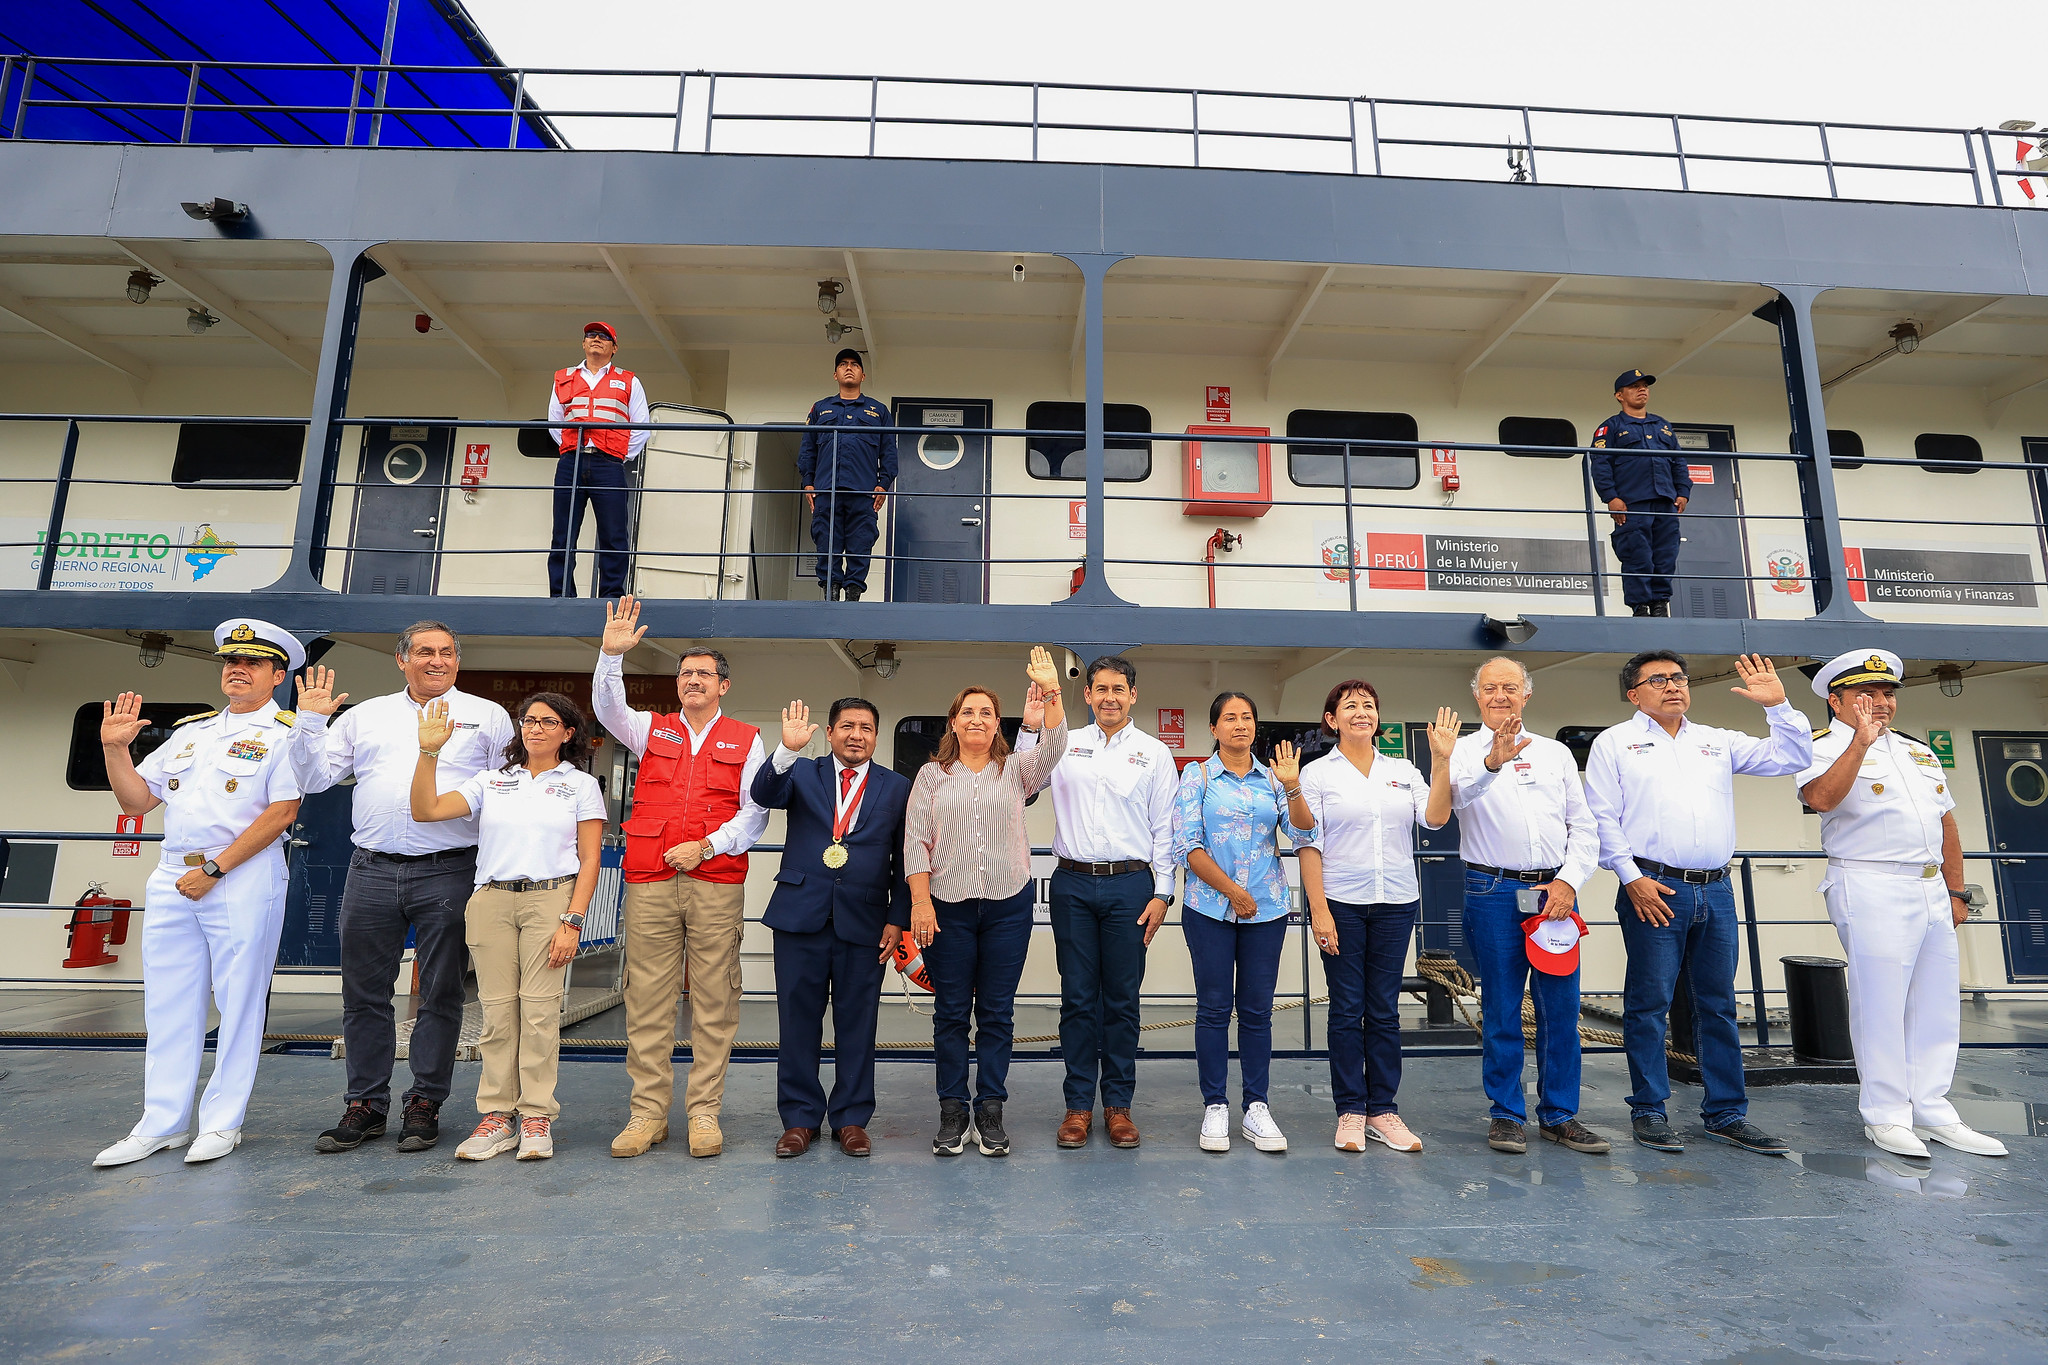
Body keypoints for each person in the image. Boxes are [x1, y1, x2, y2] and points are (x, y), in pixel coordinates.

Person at [290, 622, 514, 1155]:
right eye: (423, 653)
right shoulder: (365, 716)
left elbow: (508, 792)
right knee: (364, 994)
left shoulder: (488, 717)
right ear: (401, 660)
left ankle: (425, 1102)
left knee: (441, 992)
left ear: (457, 661)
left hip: (451, 869)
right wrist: (310, 723)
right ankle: (365, 1104)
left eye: (445, 653)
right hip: (370, 869)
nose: (435, 661)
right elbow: (312, 778)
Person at [92, 620, 305, 1168]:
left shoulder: (286, 734)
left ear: (278, 675)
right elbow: (138, 802)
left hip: (240, 875)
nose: (237, 669)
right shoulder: (190, 733)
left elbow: (282, 812)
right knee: (167, 1002)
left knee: (238, 1002)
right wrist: (115, 750)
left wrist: (215, 867)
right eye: (231, 662)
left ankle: (222, 1121)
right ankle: (159, 1124)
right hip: (170, 875)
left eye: (254, 663)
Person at [1583, 651, 1811, 1158]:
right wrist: (1631, 878)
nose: (1673, 686)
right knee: (1649, 1005)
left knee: (1718, 1006)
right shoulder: (1615, 743)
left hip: (1716, 889)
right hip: (1654, 888)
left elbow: (1793, 758)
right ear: (1633, 693)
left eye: (1679, 678)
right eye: (1658, 680)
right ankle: (1649, 1110)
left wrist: (1779, 706)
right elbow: (1602, 817)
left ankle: (1727, 1113)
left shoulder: (1716, 741)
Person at [1797, 650, 2008, 1159]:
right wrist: (1860, 744)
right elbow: (1820, 799)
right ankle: (1887, 1116)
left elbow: (1946, 823)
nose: (1881, 703)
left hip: (1930, 887)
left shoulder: (1918, 752)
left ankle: (1933, 1108)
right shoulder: (1820, 746)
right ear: (1836, 700)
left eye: (1888, 693)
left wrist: (1956, 890)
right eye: (1866, 695)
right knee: (1882, 1003)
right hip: (1870, 883)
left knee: (1936, 1003)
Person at [596, 595, 768, 1159]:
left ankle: (704, 1115)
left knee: (715, 999)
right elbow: (607, 712)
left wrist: (708, 846)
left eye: (703, 674)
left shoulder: (746, 739)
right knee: (646, 998)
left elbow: (755, 810)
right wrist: (611, 657)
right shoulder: (651, 730)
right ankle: (647, 1115)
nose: (692, 681)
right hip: (649, 881)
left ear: (724, 684)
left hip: (715, 882)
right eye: (685, 673)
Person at [409, 692, 606, 1162]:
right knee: (498, 1015)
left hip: (552, 900)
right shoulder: (491, 781)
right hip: (492, 901)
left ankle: (536, 1115)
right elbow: (426, 810)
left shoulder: (579, 785)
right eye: (528, 720)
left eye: (547, 721)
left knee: (538, 1015)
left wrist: (572, 921)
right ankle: (498, 1116)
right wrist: (428, 752)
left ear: (568, 732)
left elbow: (591, 858)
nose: (535, 728)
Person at [904, 648, 1068, 1158]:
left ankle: (990, 1111)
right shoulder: (931, 776)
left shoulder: (1017, 771)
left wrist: (1052, 689)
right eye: (967, 711)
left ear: (999, 723)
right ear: (953, 722)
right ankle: (953, 1112)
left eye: (987, 712)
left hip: (1006, 907)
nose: (977, 719)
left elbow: (1057, 745)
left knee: (997, 1013)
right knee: (951, 1013)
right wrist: (921, 903)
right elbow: (915, 842)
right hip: (946, 908)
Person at [1449, 656, 1609, 1156]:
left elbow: (1583, 826)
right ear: (1477, 696)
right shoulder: (1458, 752)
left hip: (1553, 896)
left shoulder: (1556, 753)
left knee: (1560, 1008)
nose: (1501, 696)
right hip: (1493, 893)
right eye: (1491, 688)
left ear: (1527, 695)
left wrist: (1569, 881)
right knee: (1501, 1007)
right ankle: (1505, 1113)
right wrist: (1492, 761)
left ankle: (1560, 1113)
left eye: (1511, 688)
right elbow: (1457, 796)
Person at [1298, 685, 1458, 1155]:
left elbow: (1435, 819)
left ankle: (1383, 1109)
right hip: (1341, 903)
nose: (1361, 712)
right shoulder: (1316, 774)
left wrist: (1442, 761)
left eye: (1368, 705)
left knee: (1384, 1010)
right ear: (1332, 720)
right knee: (1348, 1008)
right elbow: (1309, 843)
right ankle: (1350, 1108)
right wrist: (1319, 910)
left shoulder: (1402, 770)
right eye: (1350, 706)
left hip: (1396, 901)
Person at [750, 696, 912, 1158]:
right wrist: (786, 749)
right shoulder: (801, 771)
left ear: (876, 736)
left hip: (865, 922)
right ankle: (799, 1119)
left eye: (865, 727)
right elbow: (763, 794)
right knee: (797, 1021)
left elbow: (905, 860)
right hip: (801, 915)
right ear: (830, 731)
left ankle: (852, 1118)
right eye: (846, 726)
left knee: (858, 1023)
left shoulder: (897, 786)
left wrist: (898, 918)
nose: (856, 734)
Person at [1036, 655, 1176, 1152]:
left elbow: (1165, 829)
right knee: (1076, 997)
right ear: (1088, 694)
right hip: (1072, 883)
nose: (1110, 697)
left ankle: (1117, 1106)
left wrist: (1163, 892)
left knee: (1121, 999)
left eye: (1119, 688)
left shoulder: (1155, 753)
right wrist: (1036, 724)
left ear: (1133, 695)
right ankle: (1077, 1106)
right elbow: (1029, 783)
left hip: (1130, 886)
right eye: (1101, 689)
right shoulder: (1065, 744)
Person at [1171, 692, 1317, 1155]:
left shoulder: (1273, 778)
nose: (1240, 724)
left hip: (1267, 911)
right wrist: (1232, 891)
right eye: (1229, 718)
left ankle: (1256, 1106)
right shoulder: (1195, 777)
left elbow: (1304, 833)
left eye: (1247, 717)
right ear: (1213, 728)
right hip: (1210, 909)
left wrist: (1292, 786)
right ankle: (1215, 1105)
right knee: (1213, 1009)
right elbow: (1187, 846)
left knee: (1257, 1012)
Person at [548, 320, 650, 599]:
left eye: (604, 337)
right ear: (583, 343)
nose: (596, 339)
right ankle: (561, 595)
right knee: (563, 534)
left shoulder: (630, 381)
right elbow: (554, 423)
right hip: (571, 463)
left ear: (614, 347)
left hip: (609, 465)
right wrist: (572, 448)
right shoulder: (563, 377)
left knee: (614, 535)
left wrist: (620, 453)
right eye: (591, 335)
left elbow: (642, 426)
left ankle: (612, 595)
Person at [1590, 367, 1690, 618]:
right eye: (1634, 386)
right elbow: (1600, 464)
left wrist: (1683, 491)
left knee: (1665, 554)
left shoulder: (1662, 426)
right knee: (1637, 554)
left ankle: (1659, 603)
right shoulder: (1610, 428)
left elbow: (1678, 461)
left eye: (1644, 386)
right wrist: (1611, 498)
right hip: (1631, 503)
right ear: (1619, 395)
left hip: (1665, 501)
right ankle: (1640, 606)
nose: (1642, 389)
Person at [800, 348, 897, 602]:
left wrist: (883, 484)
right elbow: (808, 449)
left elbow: (889, 453)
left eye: (854, 364)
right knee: (826, 540)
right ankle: (830, 591)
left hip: (863, 492)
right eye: (843, 364)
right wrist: (808, 484)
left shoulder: (878, 411)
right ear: (835, 374)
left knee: (861, 541)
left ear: (863, 375)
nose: (849, 367)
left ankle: (853, 593)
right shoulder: (820, 409)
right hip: (826, 489)